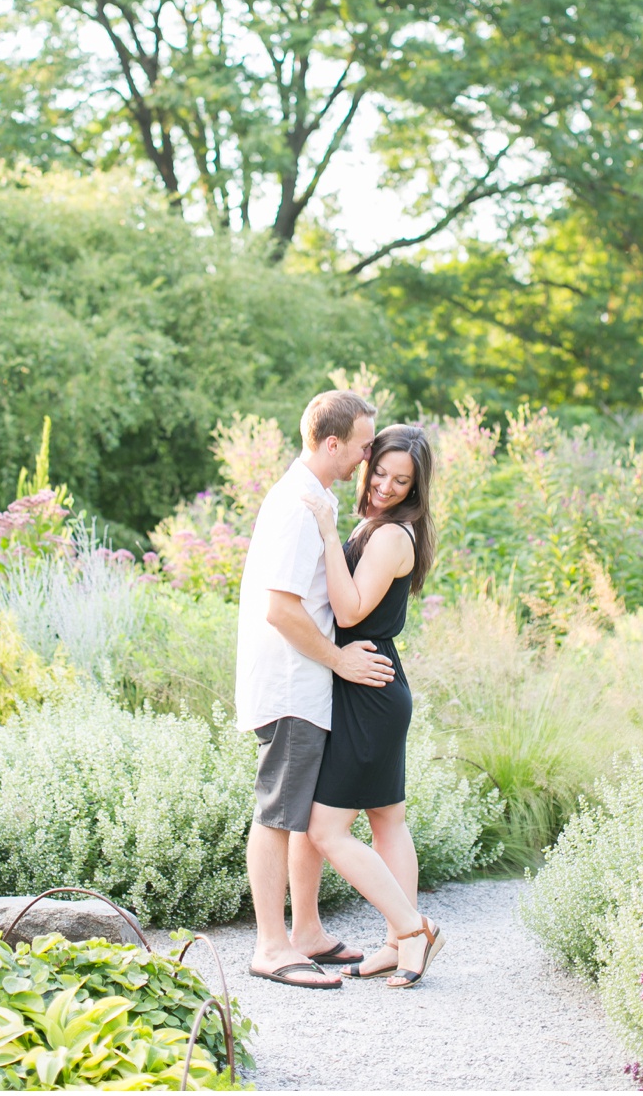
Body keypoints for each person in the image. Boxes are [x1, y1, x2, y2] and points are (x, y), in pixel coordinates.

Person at [235, 388, 393, 990]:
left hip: (307, 684)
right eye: (360, 446)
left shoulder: (314, 500)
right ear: (332, 444)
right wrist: (340, 661)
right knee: (277, 814)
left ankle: (305, 932)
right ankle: (271, 946)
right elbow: (281, 609)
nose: (366, 457)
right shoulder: (297, 506)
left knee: (300, 815)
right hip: (290, 684)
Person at [299, 424, 442, 987]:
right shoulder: (379, 526)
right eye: (379, 471)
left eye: (400, 480)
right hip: (374, 685)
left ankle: (413, 930)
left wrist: (330, 533)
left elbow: (352, 611)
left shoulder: (389, 537)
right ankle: (395, 942)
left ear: (415, 489)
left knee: (326, 830)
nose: (385, 485)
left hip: (369, 690)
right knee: (388, 821)